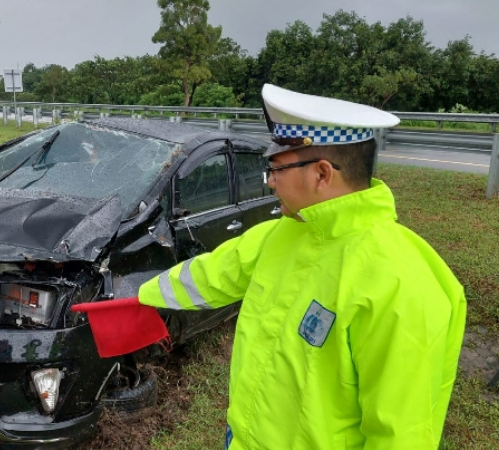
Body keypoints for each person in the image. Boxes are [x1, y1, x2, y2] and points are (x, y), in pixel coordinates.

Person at [134, 84, 467, 449]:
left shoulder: (401, 283)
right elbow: (211, 275)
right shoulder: (284, 234)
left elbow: (401, 435)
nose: (270, 182)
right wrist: (134, 300)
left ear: (321, 174)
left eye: (275, 169)